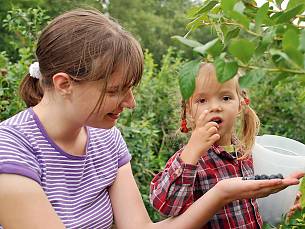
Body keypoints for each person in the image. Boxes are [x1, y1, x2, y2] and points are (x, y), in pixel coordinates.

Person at [0, 8, 303, 229]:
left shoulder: (106, 139)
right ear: (65, 84)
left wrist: (222, 193)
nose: (130, 103)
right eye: (115, 90)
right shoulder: (11, 149)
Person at [149, 63, 302, 228]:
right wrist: (192, 150)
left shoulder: (247, 154)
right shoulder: (189, 160)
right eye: (202, 100)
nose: (215, 107)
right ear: (189, 111)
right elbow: (165, 207)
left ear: (240, 104)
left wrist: (280, 207)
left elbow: (252, 212)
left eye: (226, 98)